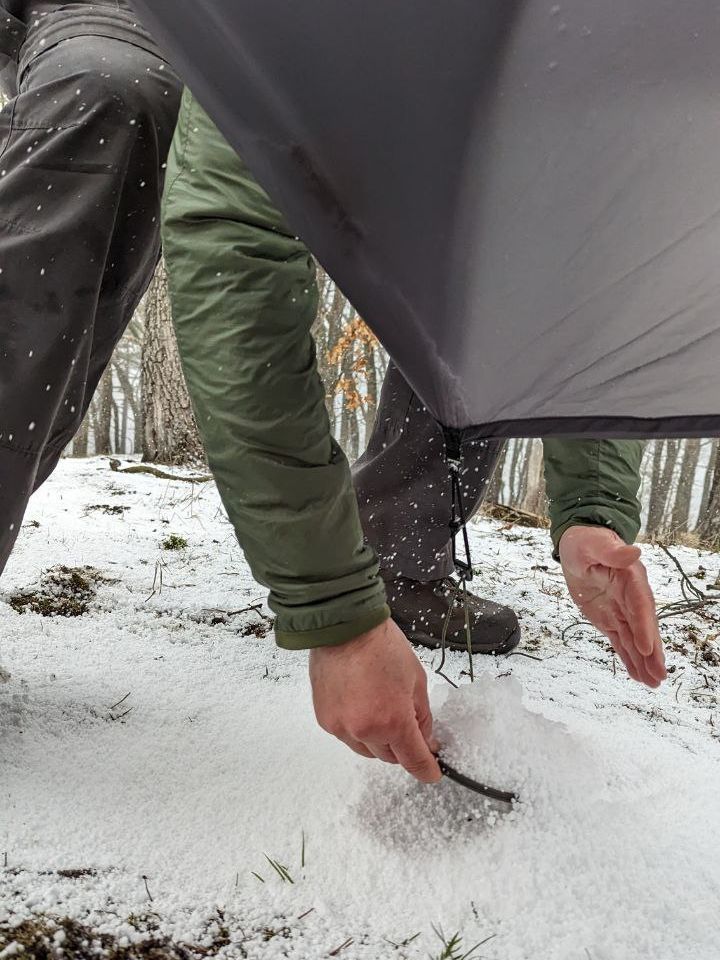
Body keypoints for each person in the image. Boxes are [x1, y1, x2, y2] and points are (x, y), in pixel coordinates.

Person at [161, 90, 667, 784]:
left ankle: (400, 555)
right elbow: (232, 252)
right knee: (110, 94)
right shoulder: (288, 65)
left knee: (484, 273)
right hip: (205, 73)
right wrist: (335, 614)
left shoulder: (609, 91)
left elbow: (591, 278)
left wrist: (591, 508)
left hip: (468, 141)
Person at [0, 0, 181, 576]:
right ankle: (404, 562)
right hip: (185, 90)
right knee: (50, 363)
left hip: (88, 76)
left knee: (27, 351)